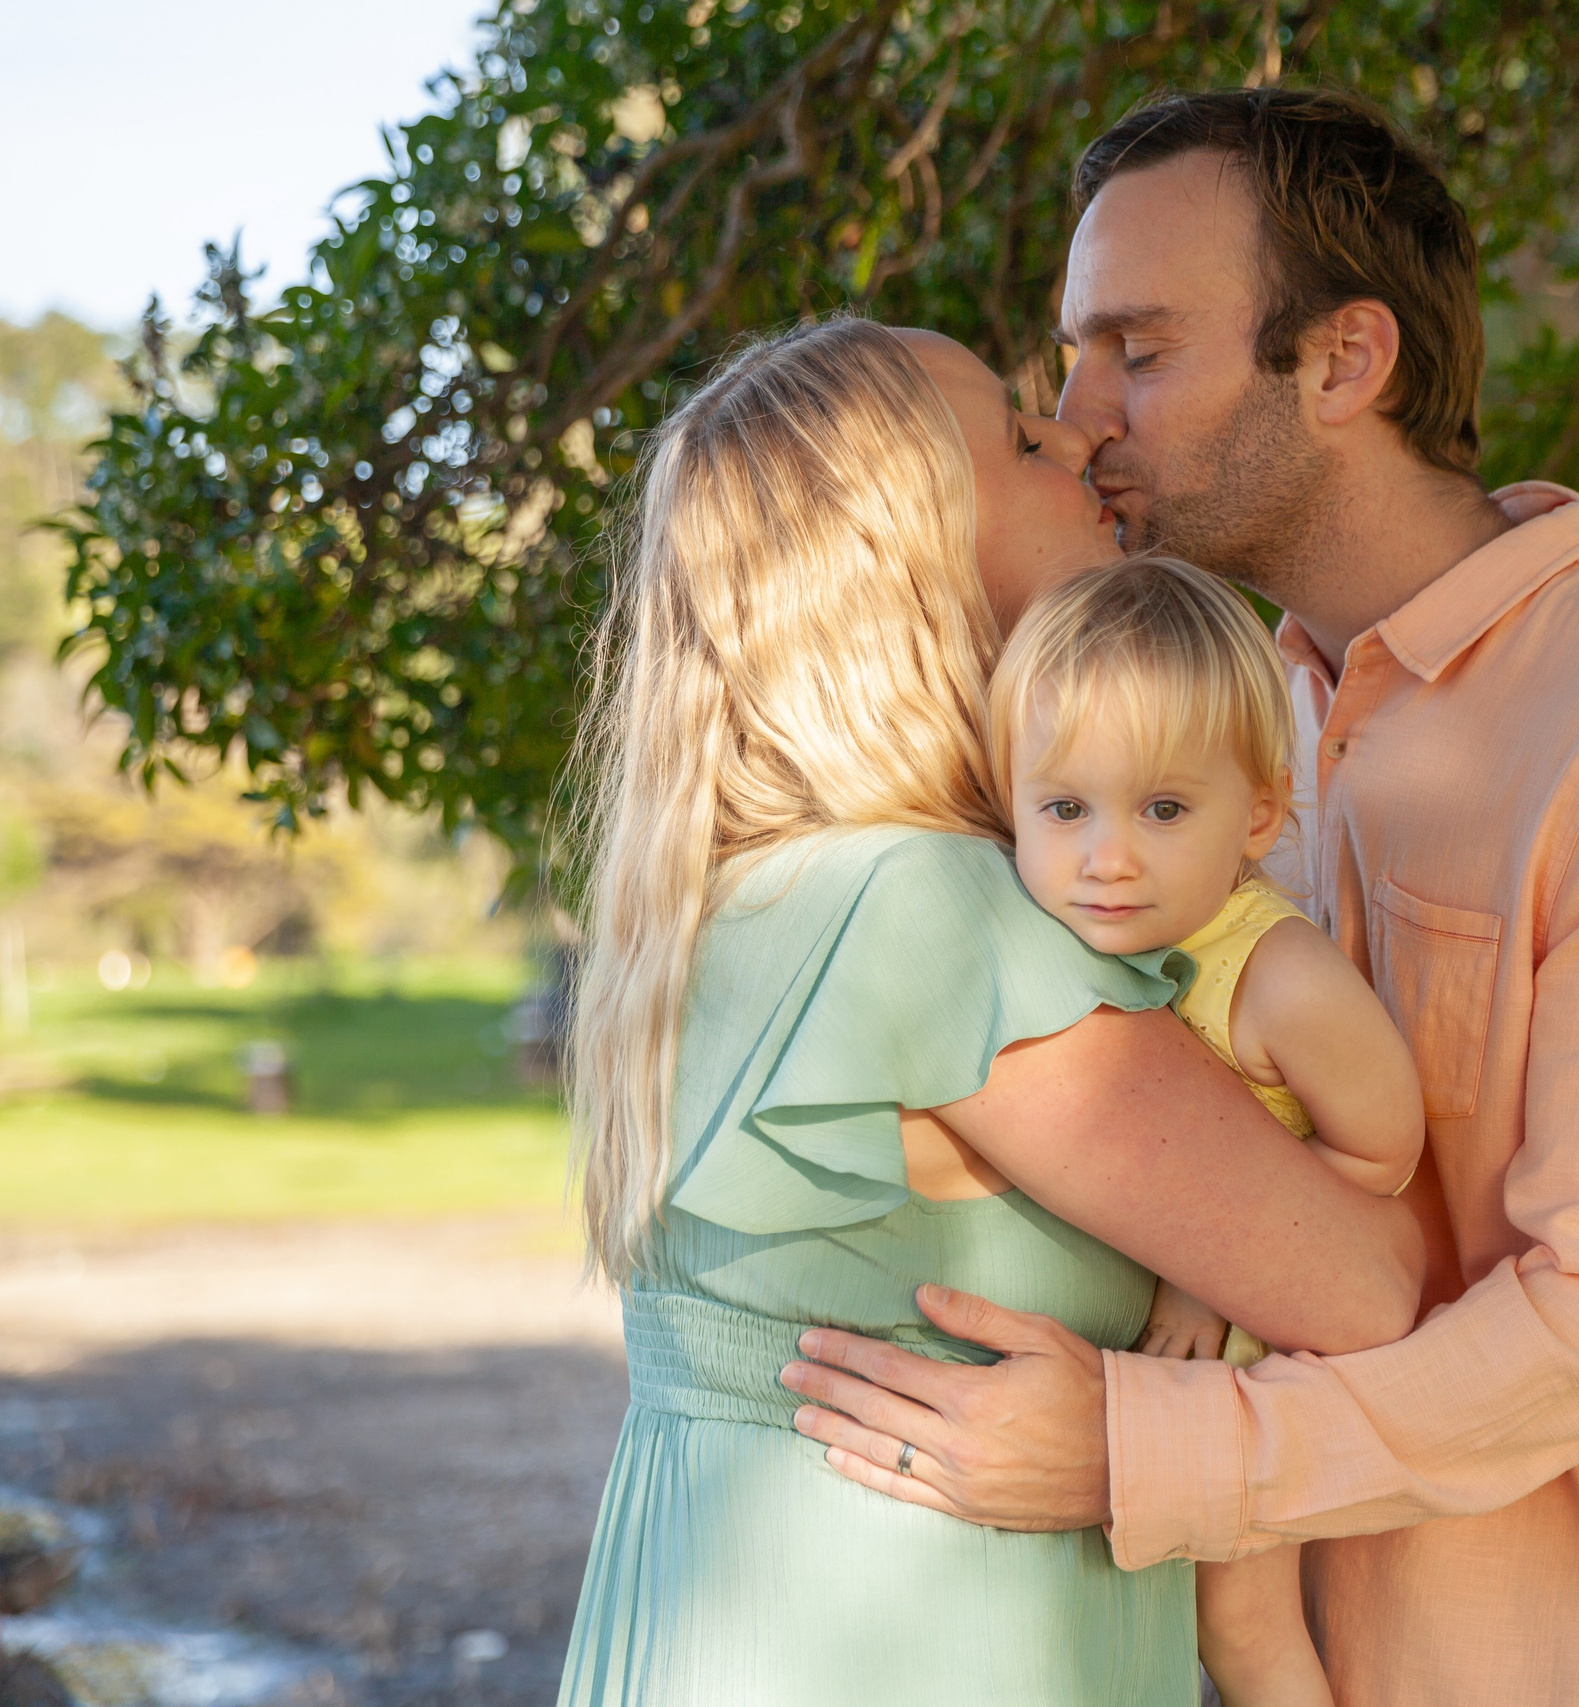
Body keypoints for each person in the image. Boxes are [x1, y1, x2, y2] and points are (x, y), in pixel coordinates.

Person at [782, 88, 1579, 1705]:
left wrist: (1140, 1452)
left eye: (1135, 350)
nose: (1077, 419)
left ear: (1346, 363)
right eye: (1070, 357)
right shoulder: (1232, 726)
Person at [550, 313, 1422, 1707]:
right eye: (1022, 440)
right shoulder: (931, 916)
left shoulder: (755, 890)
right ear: (907, 556)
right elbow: (1368, 1287)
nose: (1080, 435)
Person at [989, 554, 1426, 1707]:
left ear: (1261, 813)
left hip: (1257, 1346)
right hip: (1133, 1368)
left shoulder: (1275, 977)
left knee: (1241, 1626)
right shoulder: (1052, 939)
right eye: (1065, 808)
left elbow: (1384, 1147)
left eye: (1165, 809)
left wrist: (1216, 1272)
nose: (1109, 856)